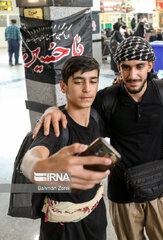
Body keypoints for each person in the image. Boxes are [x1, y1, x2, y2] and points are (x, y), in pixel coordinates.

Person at [33, 36, 163, 240]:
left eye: (139, 66)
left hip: (160, 191)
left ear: (150, 65)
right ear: (119, 67)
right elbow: (78, 104)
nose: (133, 75)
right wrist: (52, 109)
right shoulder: (108, 98)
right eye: (126, 67)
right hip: (123, 194)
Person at [21, 56, 111, 240]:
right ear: (63, 87)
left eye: (92, 82)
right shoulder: (54, 126)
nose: (87, 89)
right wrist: (39, 169)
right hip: (64, 229)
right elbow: (30, 161)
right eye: (78, 82)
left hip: (96, 215)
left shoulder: (96, 116)